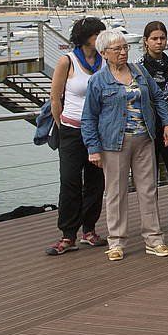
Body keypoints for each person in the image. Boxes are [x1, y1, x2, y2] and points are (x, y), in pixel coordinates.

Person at [81, 29, 168, 261]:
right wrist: (93, 148)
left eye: (125, 48)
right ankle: (116, 242)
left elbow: (158, 97)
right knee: (116, 192)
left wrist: (167, 124)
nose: (123, 52)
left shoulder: (140, 71)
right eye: (118, 49)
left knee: (148, 190)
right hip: (114, 143)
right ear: (104, 53)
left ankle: (154, 239)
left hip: (144, 139)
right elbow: (89, 117)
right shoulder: (98, 81)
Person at [45, 16, 108, 256]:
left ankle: (89, 229)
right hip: (71, 130)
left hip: (98, 131)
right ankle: (67, 234)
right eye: (96, 35)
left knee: (95, 183)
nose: (100, 38)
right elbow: (55, 97)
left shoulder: (105, 61)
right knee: (69, 180)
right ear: (85, 37)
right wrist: (61, 126)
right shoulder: (67, 61)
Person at [139, 22, 168, 198]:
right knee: (148, 176)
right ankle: (151, 221)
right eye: (154, 38)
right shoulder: (137, 68)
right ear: (145, 41)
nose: (159, 42)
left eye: (162, 38)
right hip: (147, 126)